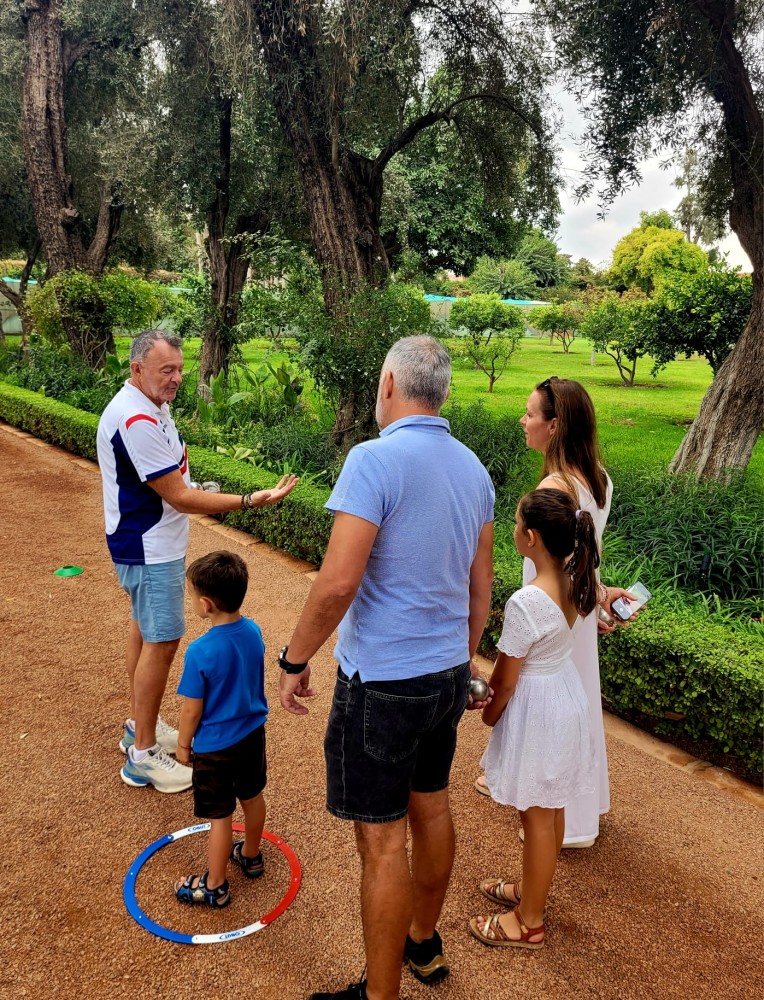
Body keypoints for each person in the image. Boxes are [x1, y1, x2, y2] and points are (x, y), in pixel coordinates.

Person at [277, 336, 495, 1000]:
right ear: (445, 393)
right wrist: (459, 663)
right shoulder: (474, 469)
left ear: (390, 384)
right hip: (444, 677)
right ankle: (422, 943)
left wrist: (294, 656)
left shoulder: (372, 461)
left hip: (383, 684)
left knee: (381, 843)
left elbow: (338, 583)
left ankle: (380, 995)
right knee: (430, 807)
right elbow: (480, 589)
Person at [96, 329, 296, 793]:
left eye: (180, 369)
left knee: (145, 632)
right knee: (163, 641)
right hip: (150, 548)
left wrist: (197, 491)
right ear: (137, 368)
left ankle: (137, 727)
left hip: (147, 542)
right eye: (166, 370)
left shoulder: (151, 408)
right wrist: (250, 499)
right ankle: (143, 755)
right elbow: (179, 497)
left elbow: (174, 483)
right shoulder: (136, 420)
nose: (177, 378)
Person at [475, 376, 631, 847]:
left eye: (530, 414)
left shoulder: (553, 487)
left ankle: (543, 808)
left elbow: (555, 564)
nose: (523, 421)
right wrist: (597, 595)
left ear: (555, 425)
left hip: (546, 613)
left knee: (539, 704)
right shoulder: (599, 479)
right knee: (574, 702)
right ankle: (573, 814)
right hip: (575, 612)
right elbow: (585, 557)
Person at [469, 488, 599, 949]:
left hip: (539, 708)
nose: (513, 528)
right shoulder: (574, 577)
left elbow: (504, 680)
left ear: (532, 537)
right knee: (551, 807)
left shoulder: (528, 600)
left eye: (517, 522)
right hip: (563, 695)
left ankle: (529, 921)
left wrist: (490, 715)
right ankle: (533, 891)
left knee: (536, 816)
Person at [173, 550, 267, 907]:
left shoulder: (200, 650)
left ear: (206, 603)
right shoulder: (253, 630)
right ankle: (252, 855)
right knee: (252, 796)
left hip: (215, 748)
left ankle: (214, 885)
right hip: (252, 735)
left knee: (220, 816)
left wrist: (183, 746)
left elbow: (192, 709)